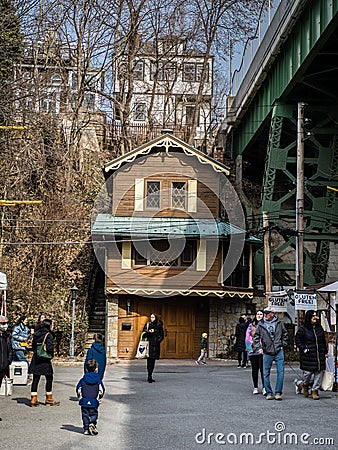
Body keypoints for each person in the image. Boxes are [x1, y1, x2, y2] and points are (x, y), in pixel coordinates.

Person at [253, 308, 288, 400]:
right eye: (264, 313)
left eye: (267, 313)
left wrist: (283, 344)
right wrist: (259, 348)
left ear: (272, 313)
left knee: (281, 372)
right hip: (266, 351)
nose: (265, 315)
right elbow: (256, 337)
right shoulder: (261, 324)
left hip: (278, 350)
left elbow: (285, 334)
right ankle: (269, 392)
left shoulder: (279, 323)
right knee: (265, 373)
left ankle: (278, 392)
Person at [295, 310, 328, 400]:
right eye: (313, 316)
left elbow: (322, 341)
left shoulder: (319, 327)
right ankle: (305, 385)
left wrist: (325, 351)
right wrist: (304, 349)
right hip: (308, 355)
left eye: (315, 316)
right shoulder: (303, 328)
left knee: (319, 372)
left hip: (319, 354)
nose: (315, 318)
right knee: (308, 373)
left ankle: (315, 390)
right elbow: (298, 340)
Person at [28, 318, 60, 407]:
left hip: (36, 358)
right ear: (49, 325)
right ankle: (49, 398)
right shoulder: (49, 335)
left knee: (36, 378)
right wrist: (51, 354)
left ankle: (33, 398)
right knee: (49, 378)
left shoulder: (37, 334)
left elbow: (33, 346)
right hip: (45, 359)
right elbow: (49, 347)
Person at [76, 359, 105, 435]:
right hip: (94, 400)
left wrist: (80, 397)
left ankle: (86, 428)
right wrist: (99, 397)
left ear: (86, 369)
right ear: (96, 369)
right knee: (94, 413)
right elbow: (101, 390)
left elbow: (78, 389)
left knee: (85, 415)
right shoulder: (98, 380)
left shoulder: (83, 379)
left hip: (84, 401)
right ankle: (92, 423)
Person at [245, 310, 265, 395]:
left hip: (262, 350)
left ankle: (265, 387)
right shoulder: (251, 325)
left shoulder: (265, 325)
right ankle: (255, 387)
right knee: (254, 369)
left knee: (263, 370)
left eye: (261, 314)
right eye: (258, 314)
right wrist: (249, 348)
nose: (259, 315)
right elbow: (247, 337)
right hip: (253, 350)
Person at [142, 313, 164, 383]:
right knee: (149, 361)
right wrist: (149, 332)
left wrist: (158, 341)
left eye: (153, 317)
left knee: (153, 361)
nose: (151, 318)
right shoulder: (148, 325)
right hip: (149, 345)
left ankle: (151, 374)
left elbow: (162, 335)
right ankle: (149, 376)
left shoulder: (159, 326)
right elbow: (143, 334)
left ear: (156, 318)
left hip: (156, 345)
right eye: (151, 317)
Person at [0, 315, 13, 406]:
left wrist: (9, 360)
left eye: (6, 323)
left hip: (4, 364)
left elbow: (9, 349)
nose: (5, 325)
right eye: (3, 323)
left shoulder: (7, 335)